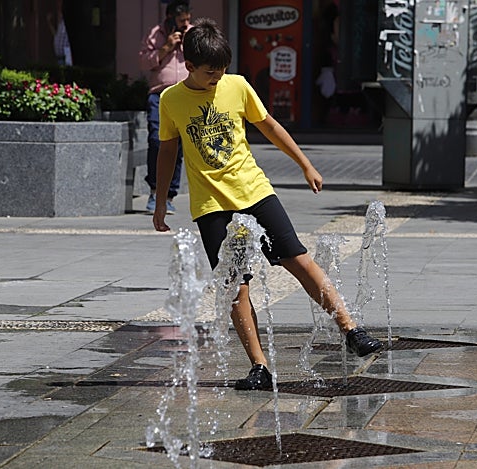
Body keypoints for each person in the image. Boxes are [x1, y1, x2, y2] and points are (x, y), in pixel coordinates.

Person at [152, 18, 383, 391]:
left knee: (297, 258)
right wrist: (161, 202)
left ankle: (351, 330)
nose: (217, 78)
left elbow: (270, 126)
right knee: (235, 286)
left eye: (222, 70)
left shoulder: (237, 86)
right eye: (211, 72)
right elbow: (167, 150)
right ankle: (259, 367)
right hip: (211, 206)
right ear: (189, 66)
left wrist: (305, 163)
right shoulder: (171, 100)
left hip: (255, 191)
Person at [139, 0, 192, 215]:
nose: (185, 24)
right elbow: (143, 63)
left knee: (178, 145)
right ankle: (154, 191)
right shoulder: (155, 34)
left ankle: (169, 195)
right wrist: (167, 47)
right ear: (170, 18)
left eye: (188, 19)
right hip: (160, 94)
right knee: (156, 140)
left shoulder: (193, 33)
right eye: (182, 20)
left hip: (186, 94)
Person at [46, 0, 72, 65]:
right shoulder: (60, 25)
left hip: (66, 56)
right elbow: (56, 35)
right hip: (59, 57)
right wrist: (49, 23)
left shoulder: (67, 23)